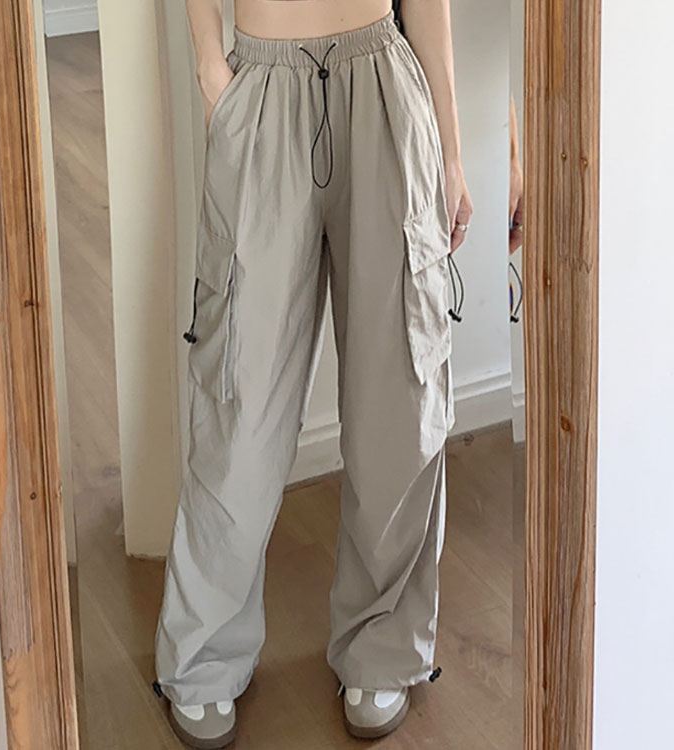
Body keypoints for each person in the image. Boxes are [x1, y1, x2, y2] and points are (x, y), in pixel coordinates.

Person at [153, 1, 472, 747]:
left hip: (385, 83)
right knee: (239, 397)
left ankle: (382, 644)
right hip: (261, 88)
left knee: (400, 394)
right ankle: (203, 655)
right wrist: (210, 66)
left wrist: (452, 149)